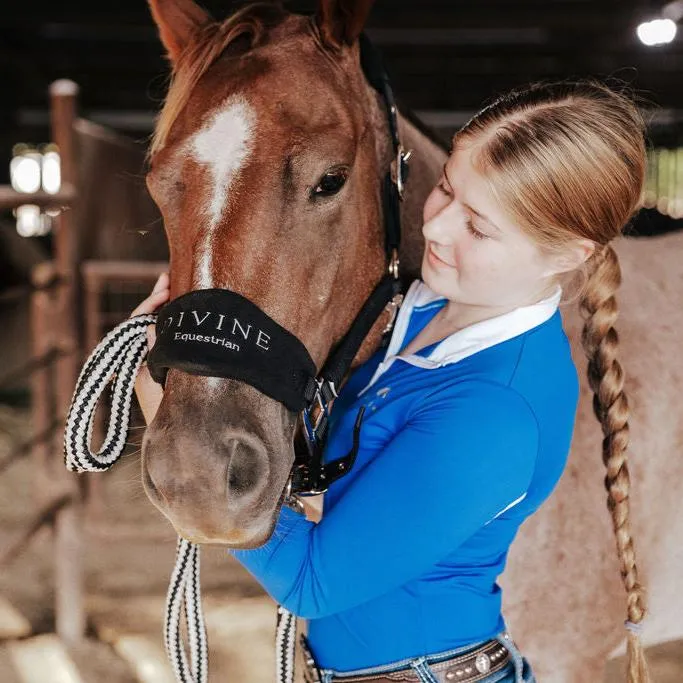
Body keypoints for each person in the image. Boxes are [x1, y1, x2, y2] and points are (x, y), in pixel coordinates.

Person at [133, 79, 650, 683]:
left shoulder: (497, 409)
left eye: (479, 228)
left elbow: (312, 580)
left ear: (567, 254)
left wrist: (158, 398)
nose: (436, 228)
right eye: (448, 190)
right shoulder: (420, 306)